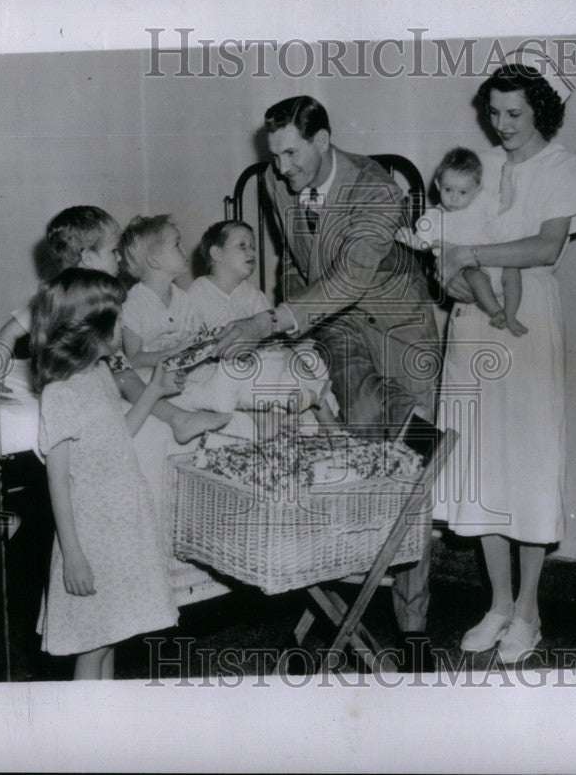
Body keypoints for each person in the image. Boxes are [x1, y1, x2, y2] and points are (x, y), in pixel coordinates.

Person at [210, 96, 441, 665]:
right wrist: (293, 329)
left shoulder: (377, 189)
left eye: (293, 153)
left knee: (412, 472)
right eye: (276, 155)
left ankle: (412, 627)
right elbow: (294, 257)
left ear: (323, 140)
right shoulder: (271, 180)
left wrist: (270, 319)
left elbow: (349, 279)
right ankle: (342, 599)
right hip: (335, 333)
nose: (283, 167)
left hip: (399, 332)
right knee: (350, 462)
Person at [435, 60, 576, 664]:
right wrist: (450, 276)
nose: (501, 125)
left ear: (541, 112)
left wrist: (469, 249)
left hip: (528, 329)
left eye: (514, 114)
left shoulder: (562, 166)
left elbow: (546, 245)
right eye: (495, 113)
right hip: (473, 327)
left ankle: (529, 608)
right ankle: (498, 603)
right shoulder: (482, 170)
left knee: (527, 463)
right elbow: (446, 244)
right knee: (483, 462)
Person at [30, 268, 180, 679]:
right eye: (117, 318)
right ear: (90, 329)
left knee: (111, 634)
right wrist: (73, 554)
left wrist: (154, 390)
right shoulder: (61, 392)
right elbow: (57, 479)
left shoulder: (99, 376)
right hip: (91, 537)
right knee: (92, 645)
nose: (124, 325)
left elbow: (120, 435)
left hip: (122, 528)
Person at [0, 205, 226, 441]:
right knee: (127, 378)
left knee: (125, 375)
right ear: (87, 258)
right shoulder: (57, 296)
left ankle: (180, 416)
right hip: (63, 372)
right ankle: (179, 418)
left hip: (96, 365)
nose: (119, 257)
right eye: (113, 251)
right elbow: (10, 332)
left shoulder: (108, 293)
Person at [185, 220, 339, 434]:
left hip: (255, 361)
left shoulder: (252, 294)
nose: (251, 252)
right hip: (217, 365)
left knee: (293, 357)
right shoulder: (197, 292)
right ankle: (274, 418)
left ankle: (327, 422)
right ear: (217, 253)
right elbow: (189, 341)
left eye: (253, 247)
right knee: (253, 374)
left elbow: (271, 335)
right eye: (242, 245)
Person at [403, 147, 527, 337]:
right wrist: (410, 239)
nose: (454, 198)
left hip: (494, 261)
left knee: (513, 270)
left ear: (477, 192)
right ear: (438, 184)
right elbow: (424, 243)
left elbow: (505, 204)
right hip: (470, 270)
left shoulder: (481, 203)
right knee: (476, 277)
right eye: (448, 189)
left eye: (463, 192)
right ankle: (496, 311)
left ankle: (511, 315)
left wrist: (506, 178)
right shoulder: (434, 216)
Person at [118, 214, 202, 369]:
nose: (184, 250)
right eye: (177, 244)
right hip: (149, 376)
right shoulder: (133, 303)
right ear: (155, 261)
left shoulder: (182, 298)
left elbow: (194, 339)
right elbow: (134, 358)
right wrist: (175, 352)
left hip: (180, 371)